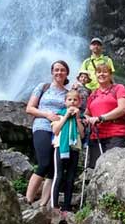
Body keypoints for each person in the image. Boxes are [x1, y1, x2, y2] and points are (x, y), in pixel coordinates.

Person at [24, 60, 70, 207]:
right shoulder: (43, 87)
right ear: (52, 72)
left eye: (62, 70)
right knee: (44, 163)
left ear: (67, 73)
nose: (59, 72)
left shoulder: (68, 93)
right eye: (56, 70)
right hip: (42, 126)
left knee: (53, 169)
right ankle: (27, 200)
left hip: (59, 131)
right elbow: (30, 108)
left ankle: (43, 205)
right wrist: (47, 115)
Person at [85, 62, 125, 169]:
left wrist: (101, 118)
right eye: (99, 72)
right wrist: (88, 119)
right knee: (95, 168)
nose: (101, 74)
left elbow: (122, 109)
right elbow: (87, 113)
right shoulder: (93, 94)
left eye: (105, 72)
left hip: (116, 133)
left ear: (110, 75)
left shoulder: (119, 88)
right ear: (95, 75)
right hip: (96, 136)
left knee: (114, 167)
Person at [50, 89, 84, 212]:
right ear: (65, 102)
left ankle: (66, 206)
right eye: (70, 99)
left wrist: (78, 118)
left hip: (74, 148)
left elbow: (82, 133)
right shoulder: (58, 115)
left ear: (79, 103)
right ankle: (54, 206)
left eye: (75, 100)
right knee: (58, 175)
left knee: (70, 177)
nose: (72, 102)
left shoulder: (80, 117)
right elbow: (56, 130)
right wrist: (66, 116)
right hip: (60, 147)